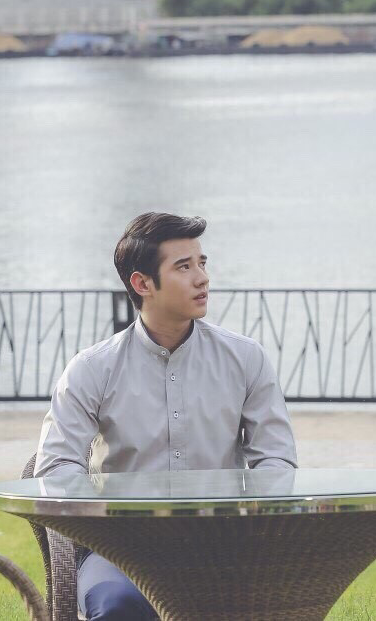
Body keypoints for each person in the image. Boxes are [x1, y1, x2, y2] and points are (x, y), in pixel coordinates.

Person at [36, 212, 297, 621]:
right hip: (120, 550)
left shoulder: (246, 359)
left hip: (221, 546)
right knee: (118, 606)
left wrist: (248, 530)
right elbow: (56, 467)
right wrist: (106, 525)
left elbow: (277, 460)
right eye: (184, 267)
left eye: (202, 263)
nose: (203, 278)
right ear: (143, 284)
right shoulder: (91, 369)